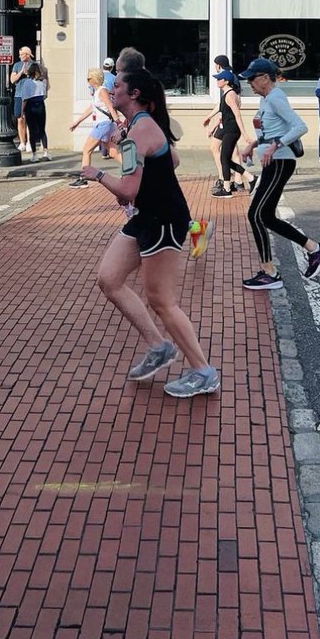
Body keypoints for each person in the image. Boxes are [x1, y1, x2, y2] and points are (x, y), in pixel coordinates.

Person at [82, 67, 219, 398]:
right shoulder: (137, 127)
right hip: (146, 216)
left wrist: (97, 173)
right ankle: (158, 346)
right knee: (109, 279)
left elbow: (127, 190)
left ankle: (203, 371)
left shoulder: (139, 131)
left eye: (118, 86)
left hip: (164, 220)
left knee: (161, 300)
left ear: (134, 95)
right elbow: (170, 160)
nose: (112, 89)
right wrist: (135, 158)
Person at [237, 57, 320, 290]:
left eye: (252, 78)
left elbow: (300, 127)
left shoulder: (276, 98)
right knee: (266, 216)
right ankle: (314, 248)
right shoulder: (267, 99)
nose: (249, 83)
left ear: (265, 78)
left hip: (280, 162)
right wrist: (254, 144)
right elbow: (271, 131)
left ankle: (269, 272)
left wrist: (274, 146)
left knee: (255, 214)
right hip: (274, 161)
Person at [69, 68, 120, 187]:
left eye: (88, 78)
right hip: (105, 124)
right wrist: (77, 122)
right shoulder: (97, 92)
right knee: (113, 153)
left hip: (103, 124)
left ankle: (84, 178)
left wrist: (118, 123)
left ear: (94, 79)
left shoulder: (102, 91)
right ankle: (134, 170)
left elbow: (110, 107)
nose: (87, 81)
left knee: (87, 150)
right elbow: (91, 109)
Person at [208, 69, 253, 197]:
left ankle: (227, 189)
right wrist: (213, 127)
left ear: (226, 81)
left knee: (224, 158)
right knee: (226, 158)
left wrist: (244, 134)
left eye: (219, 79)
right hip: (227, 129)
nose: (217, 81)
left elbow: (237, 115)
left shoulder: (230, 95)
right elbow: (223, 116)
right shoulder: (225, 94)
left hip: (232, 130)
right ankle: (251, 178)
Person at [19, 62, 50, 160]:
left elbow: (24, 98)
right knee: (42, 130)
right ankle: (45, 152)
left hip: (30, 106)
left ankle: (34, 154)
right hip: (40, 104)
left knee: (32, 131)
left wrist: (22, 111)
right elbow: (45, 95)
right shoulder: (43, 82)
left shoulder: (27, 82)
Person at [10, 46, 34, 152]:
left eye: (22, 54)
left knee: (29, 119)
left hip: (30, 95)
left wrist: (28, 73)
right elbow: (12, 80)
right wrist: (21, 73)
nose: (19, 56)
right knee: (20, 119)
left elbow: (38, 78)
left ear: (27, 55)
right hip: (19, 94)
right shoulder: (17, 65)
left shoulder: (34, 65)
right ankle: (22, 142)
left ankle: (29, 142)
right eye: (19, 54)